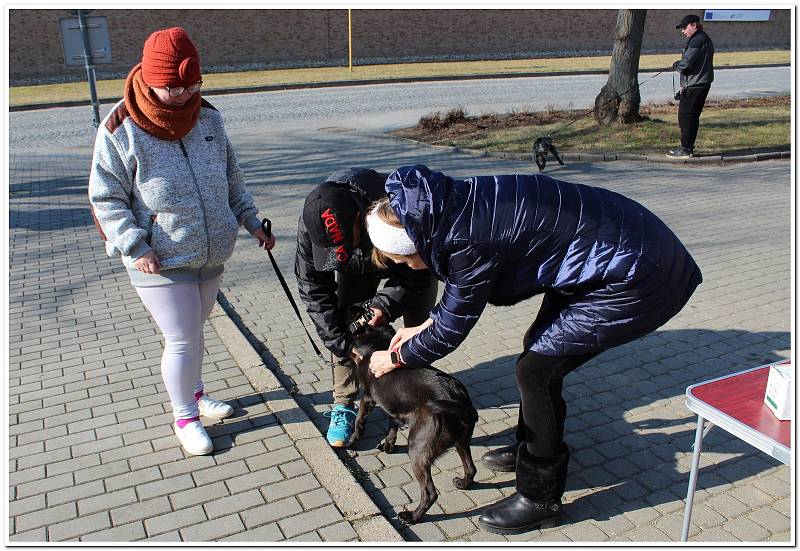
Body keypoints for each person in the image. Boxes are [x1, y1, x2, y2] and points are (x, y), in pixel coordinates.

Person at [366, 165, 702, 534]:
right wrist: (424, 323)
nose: (412, 267)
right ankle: (532, 449)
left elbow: (452, 329)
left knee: (536, 370)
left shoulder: (463, 241)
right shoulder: (445, 204)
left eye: (405, 260)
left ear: (412, 241)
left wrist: (395, 357)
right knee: (538, 350)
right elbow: (456, 304)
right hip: (607, 249)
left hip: (637, 273)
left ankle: (540, 497)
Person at [88, 27, 275, 456]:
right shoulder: (121, 127)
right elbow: (105, 197)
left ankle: (195, 395)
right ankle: (184, 417)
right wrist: (136, 245)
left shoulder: (208, 116)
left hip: (209, 252)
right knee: (182, 338)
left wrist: (251, 221)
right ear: (150, 80)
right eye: (173, 87)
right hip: (158, 258)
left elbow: (230, 177)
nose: (184, 94)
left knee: (195, 330)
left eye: (193, 84)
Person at [294, 167, 438, 447]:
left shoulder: (393, 204)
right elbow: (313, 289)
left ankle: (417, 400)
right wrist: (338, 338)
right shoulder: (311, 222)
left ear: (359, 218)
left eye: (343, 244)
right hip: (356, 269)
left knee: (419, 329)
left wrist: (383, 304)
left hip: (412, 265)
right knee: (344, 325)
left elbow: (417, 269)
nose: (336, 254)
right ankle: (344, 404)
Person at [667, 13, 714, 159]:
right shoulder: (701, 38)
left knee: (686, 116)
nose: (683, 31)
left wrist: (676, 65)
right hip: (697, 83)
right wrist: (684, 85)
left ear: (694, 25)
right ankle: (688, 148)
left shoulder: (697, 40)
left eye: (684, 27)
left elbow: (686, 64)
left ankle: (685, 149)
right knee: (690, 116)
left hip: (696, 84)